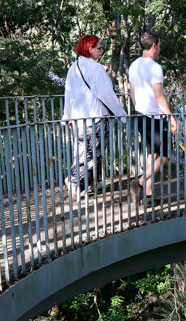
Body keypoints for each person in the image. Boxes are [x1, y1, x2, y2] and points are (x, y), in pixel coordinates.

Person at [62, 34, 127, 193]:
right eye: (99, 48)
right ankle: (74, 180)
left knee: (83, 152)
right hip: (95, 118)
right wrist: (122, 115)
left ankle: (87, 185)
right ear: (90, 49)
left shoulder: (73, 67)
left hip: (78, 119)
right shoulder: (96, 69)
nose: (101, 50)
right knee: (92, 156)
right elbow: (107, 95)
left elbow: (68, 94)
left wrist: (67, 116)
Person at [127, 30, 178, 202]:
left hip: (140, 114)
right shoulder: (155, 67)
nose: (159, 49)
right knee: (166, 155)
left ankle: (148, 195)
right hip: (154, 117)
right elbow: (160, 96)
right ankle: (140, 181)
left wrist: (138, 107)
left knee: (152, 154)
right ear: (154, 45)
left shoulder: (134, 65)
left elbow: (132, 92)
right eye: (159, 46)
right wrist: (171, 117)